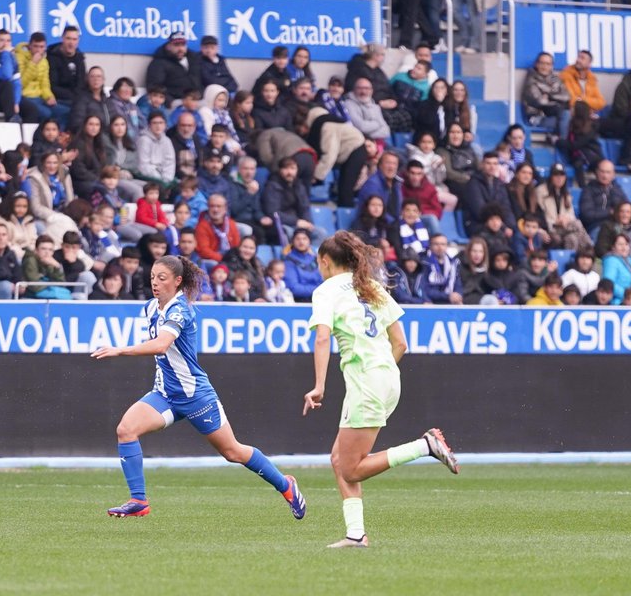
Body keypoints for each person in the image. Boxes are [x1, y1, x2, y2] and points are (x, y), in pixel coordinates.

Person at [90, 254, 306, 519]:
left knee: (233, 452)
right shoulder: (149, 307)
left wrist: (120, 351)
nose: (155, 283)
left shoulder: (181, 310)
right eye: (152, 278)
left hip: (195, 396)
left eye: (162, 278)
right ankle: (139, 501)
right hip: (166, 394)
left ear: (177, 281)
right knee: (126, 429)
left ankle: (286, 486)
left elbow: (160, 345)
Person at [303, 230, 460, 548]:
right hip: (389, 377)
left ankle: (424, 447)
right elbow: (401, 342)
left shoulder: (326, 291)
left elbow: (322, 337)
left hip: (365, 381)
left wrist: (319, 386)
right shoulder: (372, 287)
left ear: (324, 261)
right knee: (339, 460)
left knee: (351, 469)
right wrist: (382, 372)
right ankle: (356, 534)